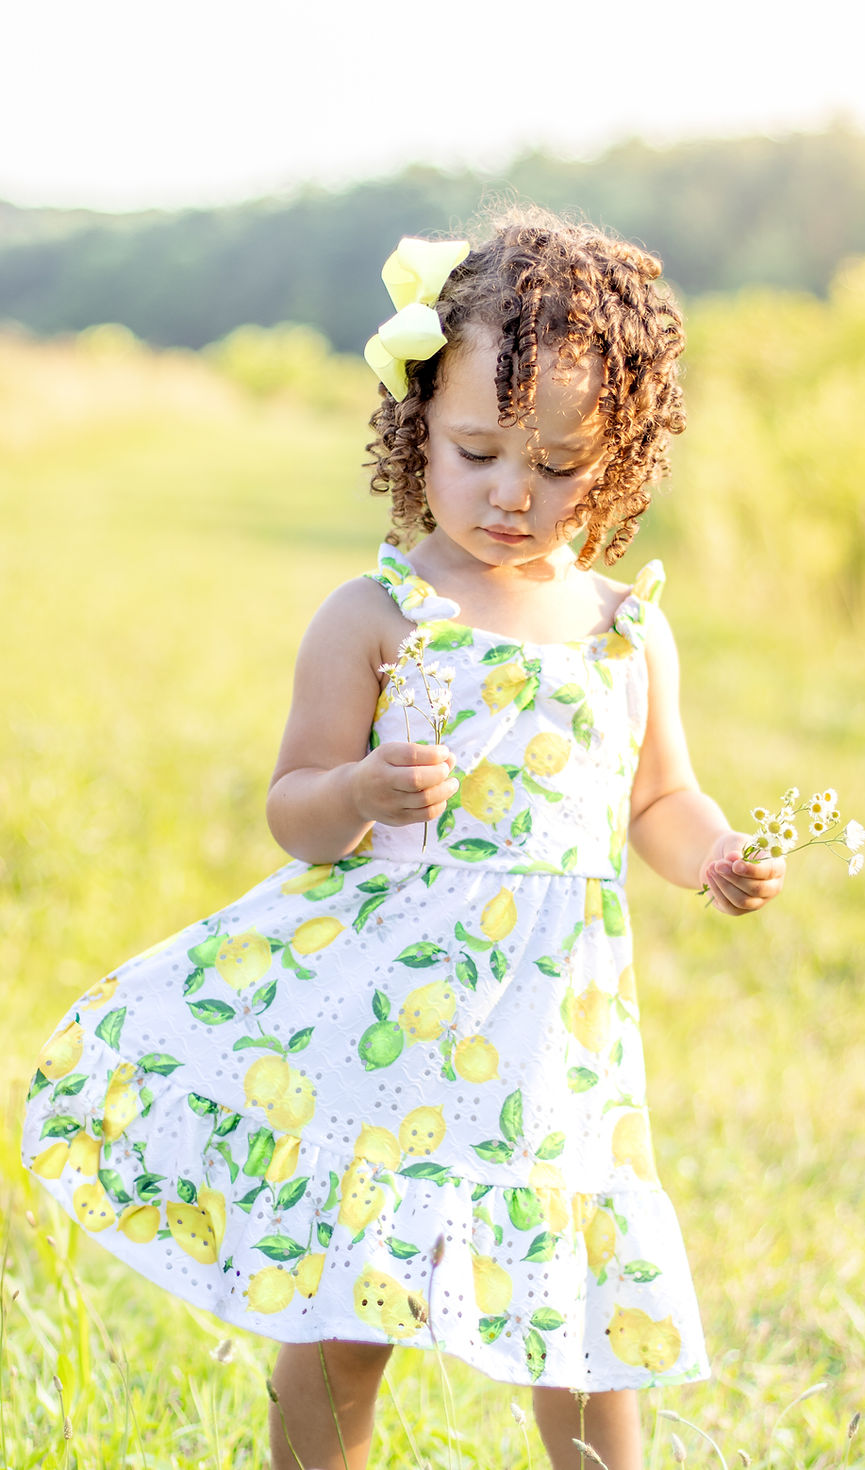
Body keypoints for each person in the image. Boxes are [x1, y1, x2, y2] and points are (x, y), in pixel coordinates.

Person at [23, 212, 785, 1470]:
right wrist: (362, 792)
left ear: (621, 459)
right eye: (477, 451)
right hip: (388, 1033)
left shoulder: (622, 632)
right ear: (415, 426)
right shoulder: (378, 616)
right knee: (345, 1314)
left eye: (554, 467)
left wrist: (710, 855)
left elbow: (658, 800)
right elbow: (294, 805)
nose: (509, 493)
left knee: (579, 1319)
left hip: (553, 1046)